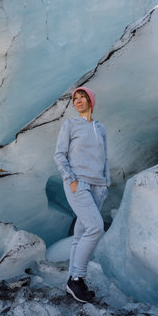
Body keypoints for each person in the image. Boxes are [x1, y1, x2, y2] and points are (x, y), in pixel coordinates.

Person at [54, 86, 110, 303]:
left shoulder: (100, 128)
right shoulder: (69, 125)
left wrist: (106, 183)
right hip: (78, 183)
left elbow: (105, 158)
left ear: (91, 101)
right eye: (75, 98)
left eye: (82, 97)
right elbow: (59, 155)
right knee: (95, 227)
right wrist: (72, 180)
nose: (77, 101)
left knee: (81, 233)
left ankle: (72, 280)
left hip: (98, 186)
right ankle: (77, 278)